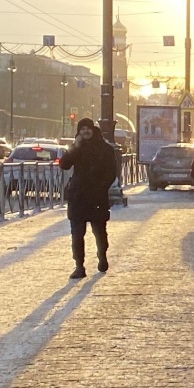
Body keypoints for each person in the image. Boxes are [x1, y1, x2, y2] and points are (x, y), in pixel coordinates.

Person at [60, 116, 120, 280]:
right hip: (78, 197)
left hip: (97, 198)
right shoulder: (76, 147)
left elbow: (111, 172)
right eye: (82, 129)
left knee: (99, 232)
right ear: (79, 133)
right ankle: (79, 266)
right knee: (77, 235)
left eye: (88, 128)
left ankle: (102, 255)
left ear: (93, 130)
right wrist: (76, 147)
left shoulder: (105, 148)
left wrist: (101, 188)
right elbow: (64, 164)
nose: (85, 131)